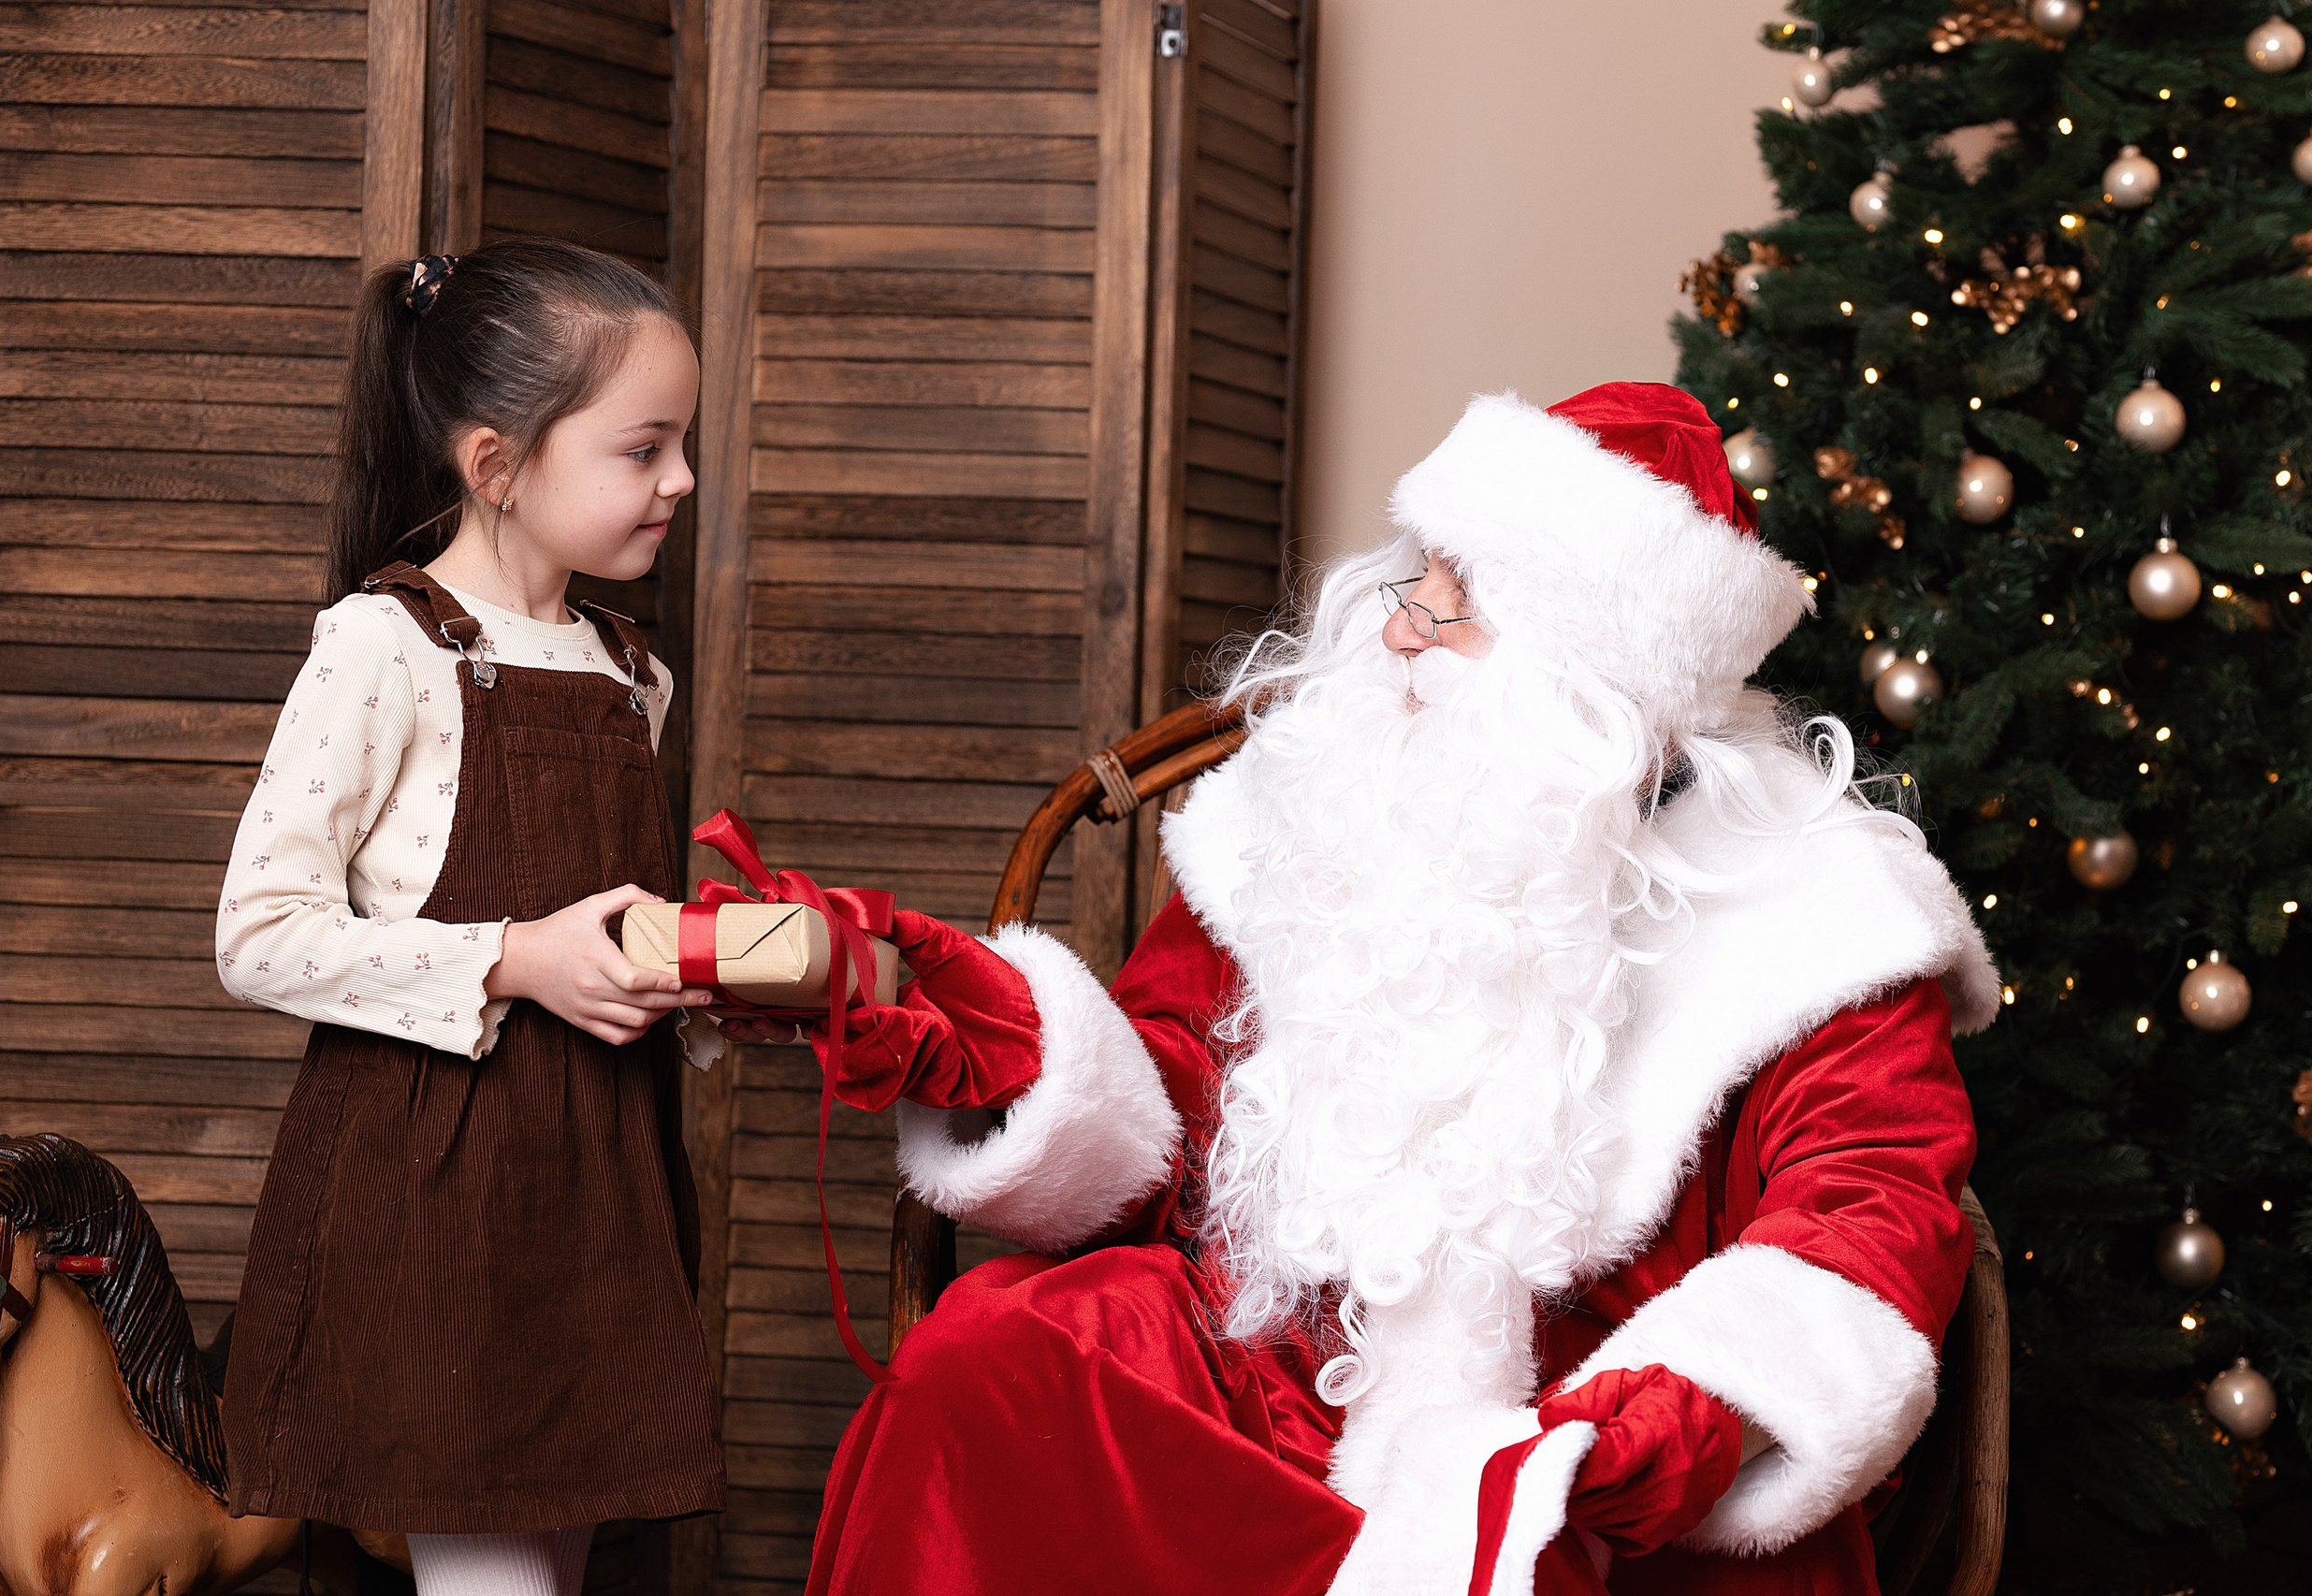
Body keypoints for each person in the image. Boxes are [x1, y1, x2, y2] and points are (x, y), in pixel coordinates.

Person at [744, 384, 1996, 1595]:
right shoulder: (1313, 802)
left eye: (1458, 607)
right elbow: (1174, 1071)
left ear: (1593, 688)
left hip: (1575, 1452)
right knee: (992, 1358)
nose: (1402, 624)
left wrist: (1648, 1426)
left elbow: (1865, 1217)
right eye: (1418, 577)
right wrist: (995, 1038)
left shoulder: (1820, 922)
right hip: (1267, 1376)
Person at [215, 240, 722, 1595]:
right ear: (498, 463)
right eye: (645, 447)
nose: (681, 480)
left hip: (601, 1196)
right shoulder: (385, 647)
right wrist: (513, 956)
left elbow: (604, 933)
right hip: (440, 1203)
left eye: (686, 443)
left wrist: (688, 973)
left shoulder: (635, 676)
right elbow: (258, 931)